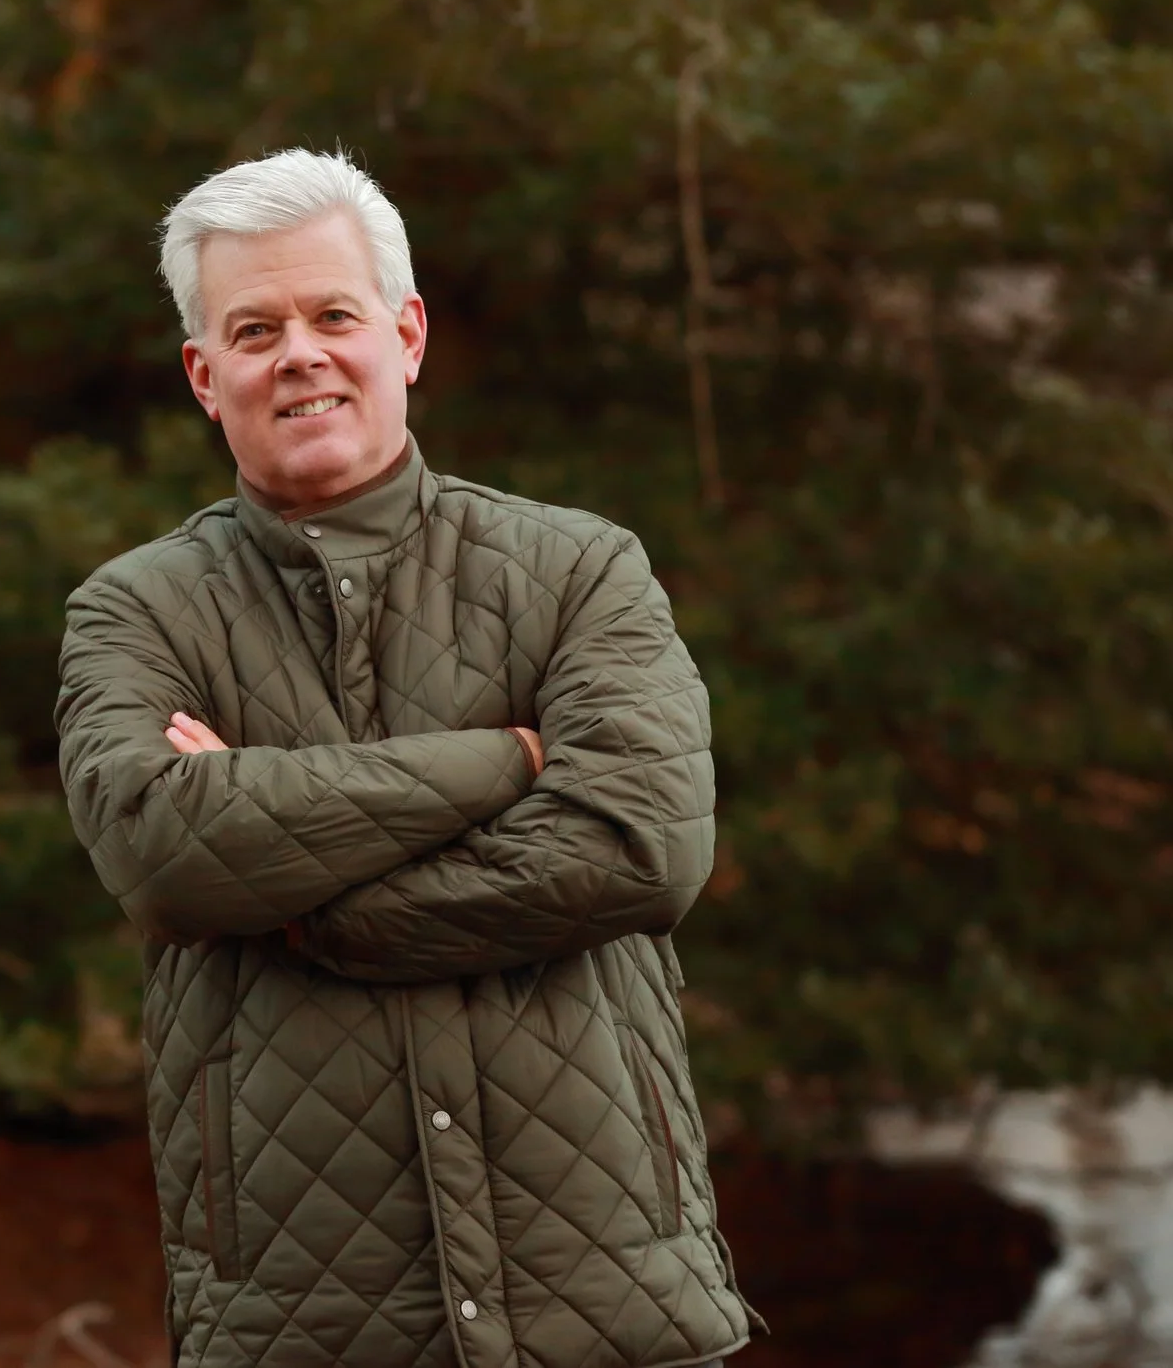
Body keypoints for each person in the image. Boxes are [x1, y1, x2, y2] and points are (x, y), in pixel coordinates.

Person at [55, 149, 760, 1368]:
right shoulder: (135, 612)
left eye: (334, 315)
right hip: (301, 1326)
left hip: (611, 1308)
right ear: (204, 374)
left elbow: (637, 850)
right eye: (255, 329)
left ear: (407, 333)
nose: (300, 354)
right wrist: (505, 762)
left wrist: (302, 903)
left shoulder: (580, 570)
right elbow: (163, 854)